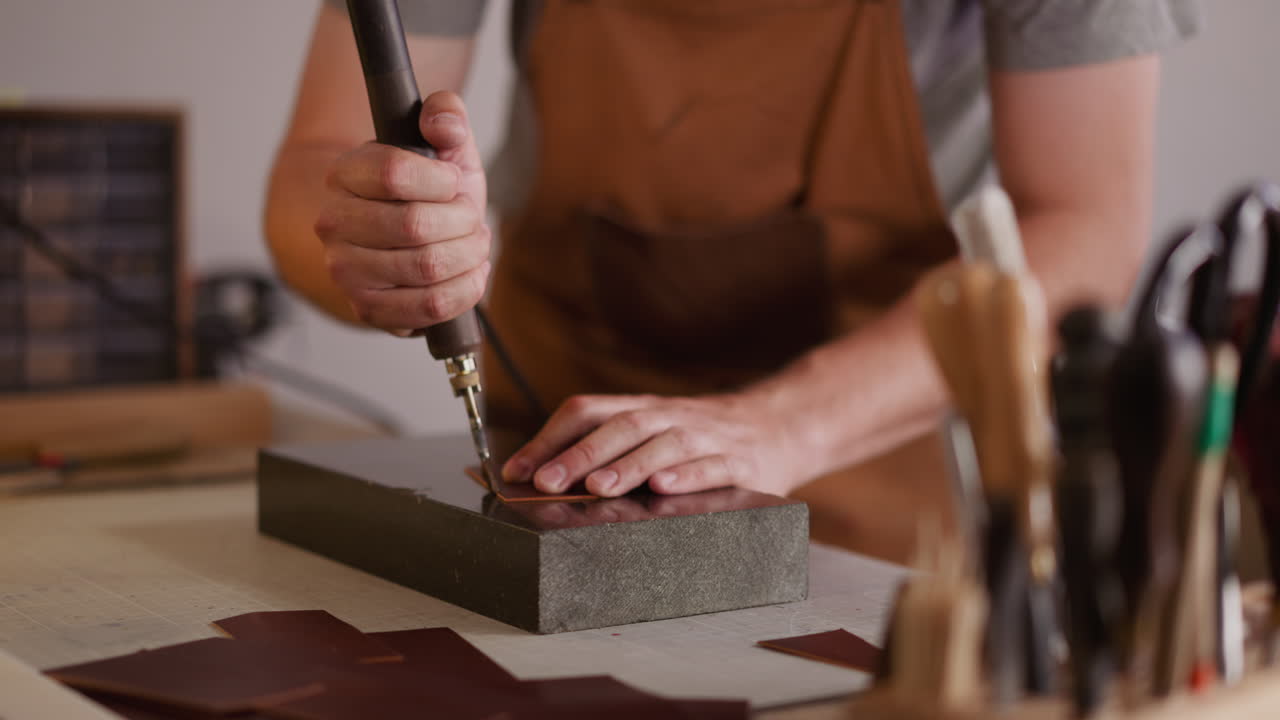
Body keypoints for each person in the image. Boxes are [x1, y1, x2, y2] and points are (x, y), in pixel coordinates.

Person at [266, 0, 1199, 559]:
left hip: (876, 477)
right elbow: (314, 169)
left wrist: (782, 424)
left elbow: (1085, 233)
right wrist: (390, 247)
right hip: (549, 462)